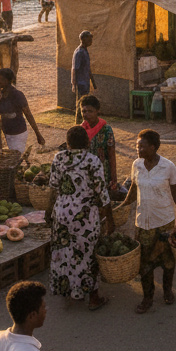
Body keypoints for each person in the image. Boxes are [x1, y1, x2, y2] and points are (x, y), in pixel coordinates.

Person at [122, 129, 176, 314]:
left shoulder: (168, 167)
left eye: (142, 146)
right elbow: (134, 187)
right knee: (144, 262)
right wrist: (124, 204)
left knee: (167, 259)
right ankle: (147, 297)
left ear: (152, 147)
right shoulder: (137, 165)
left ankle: (167, 291)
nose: (138, 149)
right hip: (143, 221)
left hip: (164, 221)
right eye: (137, 146)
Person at [47, 126, 111, 310]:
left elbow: (53, 187)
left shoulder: (58, 158)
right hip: (85, 216)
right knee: (87, 254)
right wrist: (110, 219)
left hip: (61, 213)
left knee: (64, 252)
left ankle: (68, 291)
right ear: (87, 143)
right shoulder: (92, 160)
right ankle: (93, 298)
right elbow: (102, 191)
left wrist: (48, 211)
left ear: (68, 143)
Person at [0, 68, 46, 155]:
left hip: (18, 133)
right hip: (7, 131)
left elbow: (28, 115)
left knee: (15, 157)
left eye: (0, 81)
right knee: (12, 155)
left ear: (8, 81)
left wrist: (38, 134)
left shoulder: (17, 95)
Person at [79, 95, 117, 188]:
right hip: (84, 173)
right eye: (83, 111)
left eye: (90, 111)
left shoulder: (106, 130)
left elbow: (111, 153)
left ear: (97, 111)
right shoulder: (80, 130)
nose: (86, 114)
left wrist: (114, 177)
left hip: (102, 172)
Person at [71, 31, 97, 125]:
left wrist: (93, 82)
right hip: (80, 83)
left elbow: (87, 68)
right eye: (89, 38)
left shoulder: (85, 51)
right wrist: (74, 84)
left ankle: (83, 124)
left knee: (85, 105)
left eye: (91, 38)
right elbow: (74, 69)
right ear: (83, 39)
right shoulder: (79, 52)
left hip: (85, 82)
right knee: (80, 106)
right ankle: (78, 125)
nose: (91, 40)